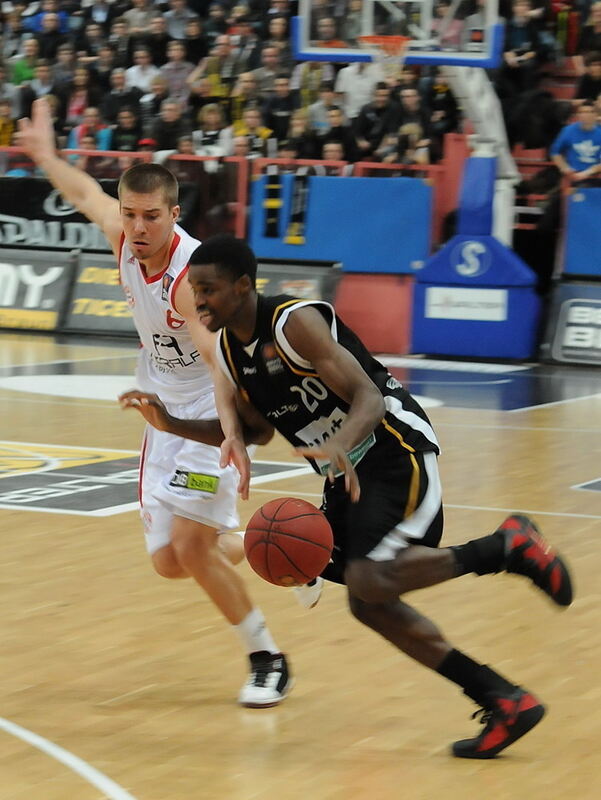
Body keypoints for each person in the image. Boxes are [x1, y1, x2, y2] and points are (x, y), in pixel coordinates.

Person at [120, 234, 574, 760]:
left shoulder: (294, 324)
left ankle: (507, 547)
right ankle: (503, 699)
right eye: (194, 290)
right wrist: (169, 421)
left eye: (209, 290)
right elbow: (256, 431)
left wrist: (338, 442)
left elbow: (370, 397)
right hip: (345, 474)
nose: (198, 301)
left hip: (393, 451)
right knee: (369, 605)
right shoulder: (229, 348)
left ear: (243, 286)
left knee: (368, 579)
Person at [16, 99, 292, 708]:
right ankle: (263, 544)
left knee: (192, 550)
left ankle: (267, 658)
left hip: (202, 417)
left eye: (151, 218)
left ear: (174, 214)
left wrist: (231, 434)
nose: (138, 229)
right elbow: (86, 191)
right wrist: (44, 156)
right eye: (131, 215)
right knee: (170, 562)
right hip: (162, 417)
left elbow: (220, 362)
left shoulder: (193, 279)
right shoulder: (123, 237)